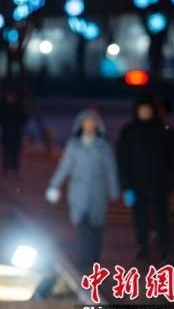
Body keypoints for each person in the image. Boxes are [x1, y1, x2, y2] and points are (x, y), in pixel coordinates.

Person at [45, 109, 120, 269]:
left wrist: (114, 189)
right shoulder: (74, 146)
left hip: (98, 193)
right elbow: (64, 167)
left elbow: (111, 169)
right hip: (78, 193)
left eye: (92, 122)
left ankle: (94, 260)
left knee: (96, 228)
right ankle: (84, 260)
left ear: (97, 125)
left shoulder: (104, 147)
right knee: (82, 227)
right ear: (80, 125)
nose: (89, 125)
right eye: (86, 122)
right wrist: (54, 185)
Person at [117, 96, 174, 260]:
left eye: (148, 110)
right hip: (137, 184)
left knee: (161, 218)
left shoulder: (162, 131)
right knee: (140, 218)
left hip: (159, 183)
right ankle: (142, 245)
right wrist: (125, 186)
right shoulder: (128, 131)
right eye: (142, 110)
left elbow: (172, 158)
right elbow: (122, 160)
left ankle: (164, 246)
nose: (145, 113)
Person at [0, 90, 28, 176]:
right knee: (6, 151)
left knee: (15, 151)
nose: (10, 98)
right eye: (9, 96)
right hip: (6, 131)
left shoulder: (18, 106)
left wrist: (18, 123)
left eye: (12, 96)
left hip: (16, 132)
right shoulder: (3, 106)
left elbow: (24, 117)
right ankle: (5, 168)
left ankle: (15, 168)